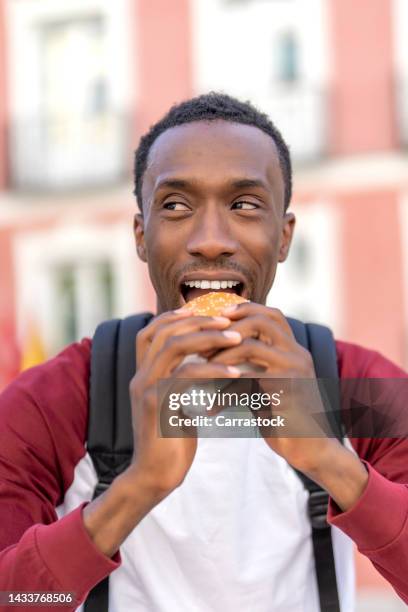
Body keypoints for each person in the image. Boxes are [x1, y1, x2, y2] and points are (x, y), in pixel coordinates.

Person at [0, 92, 407, 612]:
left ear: (283, 238)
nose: (211, 240)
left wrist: (329, 459)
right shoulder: (64, 397)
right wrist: (136, 488)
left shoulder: (352, 386)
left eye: (243, 205)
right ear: (141, 236)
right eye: (175, 205)